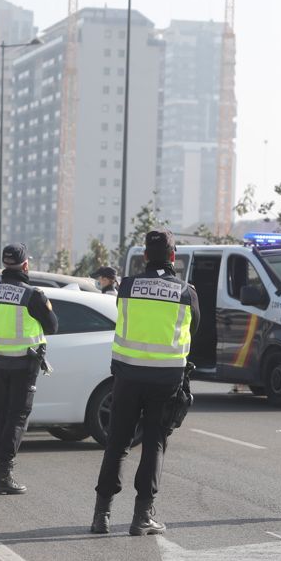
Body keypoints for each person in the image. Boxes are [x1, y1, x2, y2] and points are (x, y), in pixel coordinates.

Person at [91, 229, 200, 536]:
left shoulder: (126, 286)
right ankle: (142, 516)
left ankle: (101, 515)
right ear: (173, 257)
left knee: (117, 444)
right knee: (153, 443)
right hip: (166, 379)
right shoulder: (186, 292)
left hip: (127, 376)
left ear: (144, 257)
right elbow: (196, 331)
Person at [0, 243, 58, 494]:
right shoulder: (32, 295)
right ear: (25, 265)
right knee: (18, 417)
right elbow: (52, 326)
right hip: (24, 362)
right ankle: (3, 473)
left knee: (1, 415)